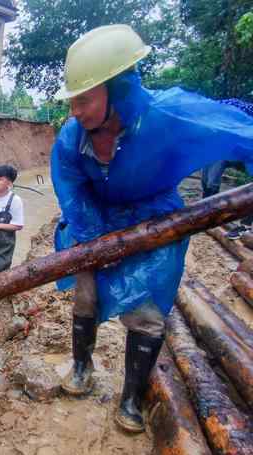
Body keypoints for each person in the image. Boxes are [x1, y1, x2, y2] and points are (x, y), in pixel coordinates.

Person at [50, 24, 253, 433]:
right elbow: (71, 190)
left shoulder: (168, 117)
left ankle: (130, 398)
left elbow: (238, 132)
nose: (75, 110)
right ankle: (82, 366)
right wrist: (96, 241)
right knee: (85, 298)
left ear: (117, 90)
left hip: (157, 222)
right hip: (95, 221)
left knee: (147, 312)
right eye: (72, 99)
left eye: (84, 99)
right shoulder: (72, 138)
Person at [200, 99, 253, 239]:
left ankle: (245, 226)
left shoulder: (244, 111)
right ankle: (207, 210)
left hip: (247, 147)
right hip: (233, 147)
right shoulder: (227, 107)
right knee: (210, 172)